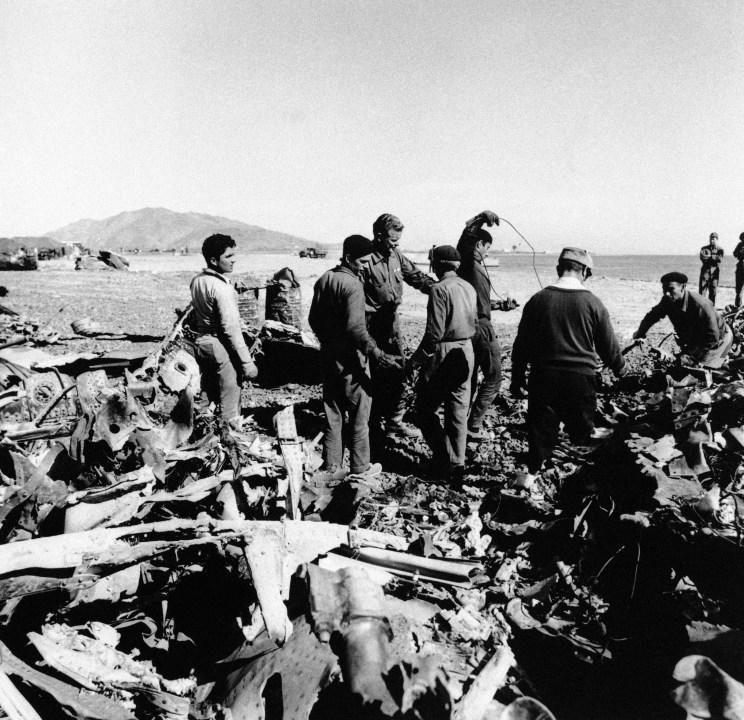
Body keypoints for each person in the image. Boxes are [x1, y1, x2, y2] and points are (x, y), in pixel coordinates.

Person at [510, 248, 625, 484]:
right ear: (584, 271)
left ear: (558, 269)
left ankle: (531, 476)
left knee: (540, 431)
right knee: (582, 433)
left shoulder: (537, 300)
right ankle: (580, 485)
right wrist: (622, 370)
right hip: (580, 378)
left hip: (544, 376)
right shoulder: (593, 303)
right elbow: (608, 346)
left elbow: (522, 344)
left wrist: (517, 377)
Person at [309, 235, 402, 479]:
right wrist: (378, 354)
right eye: (361, 262)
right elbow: (356, 329)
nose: (364, 267)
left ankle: (332, 466)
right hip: (351, 356)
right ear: (348, 258)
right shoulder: (353, 286)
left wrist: (327, 340)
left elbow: (313, 320)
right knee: (361, 413)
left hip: (328, 354)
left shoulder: (325, 279)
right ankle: (361, 468)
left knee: (333, 410)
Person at [363, 214, 434, 445]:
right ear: (379, 236)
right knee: (372, 373)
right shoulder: (366, 260)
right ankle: (371, 425)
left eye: (398, 241)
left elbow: (417, 277)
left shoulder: (396, 255)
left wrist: (442, 289)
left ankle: (393, 421)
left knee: (397, 370)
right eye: (392, 241)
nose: (395, 245)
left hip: (392, 323)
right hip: (370, 324)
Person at [408, 245, 477, 481]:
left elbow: (433, 334)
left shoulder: (439, 289)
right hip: (466, 348)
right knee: (458, 409)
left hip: (444, 351)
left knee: (425, 409)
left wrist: (415, 362)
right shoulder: (468, 286)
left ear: (436, 265)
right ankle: (458, 464)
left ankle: (442, 458)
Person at [190, 234, 258, 429]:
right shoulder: (221, 287)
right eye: (228, 256)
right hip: (217, 342)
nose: (233, 260)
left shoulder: (198, 281)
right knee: (230, 386)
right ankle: (230, 430)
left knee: (207, 387)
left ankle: (198, 426)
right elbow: (231, 329)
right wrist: (247, 362)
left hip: (201, 342)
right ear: (213, 260)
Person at [457, 210, 503, 439]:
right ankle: (473, 426)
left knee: (472, 376)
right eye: (487, 248)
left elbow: (480, 302)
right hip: (481, 328)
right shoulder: (468, 262)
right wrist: (480, 217)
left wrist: (501, 305)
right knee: (494, 376)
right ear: (479, 245)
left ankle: (463, 424)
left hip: (471, 324)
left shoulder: (470, 268)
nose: (487, 253)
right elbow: (466, 238)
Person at [633, 271, 733, 368]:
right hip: (698, 340)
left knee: (700, 372)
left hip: (720, 341)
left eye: (671, 289)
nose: (667, 293)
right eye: (664, 290)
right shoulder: (667, 300)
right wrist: (641, 332)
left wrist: (691, 354)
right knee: (683, 364)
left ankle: (724, 358)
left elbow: (712, 337)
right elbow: (652, 316)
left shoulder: (700, 305)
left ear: (683, 287)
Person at [699, 232, 724, 305]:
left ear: (717, 239)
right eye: (711, 238)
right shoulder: (704, 248)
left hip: (714, 272)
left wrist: (710, 256)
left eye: (713, 239)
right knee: (702, 290)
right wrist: (713, 257)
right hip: (705, 271)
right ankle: (701, 307)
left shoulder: (720, 249)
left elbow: (719, 259)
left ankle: (711, 307)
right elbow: (703, 258)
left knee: (713, 291)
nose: (712, 240)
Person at [734, 233, 744, 308]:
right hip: (740, 268)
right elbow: (735, 253)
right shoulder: (739, 245)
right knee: (738, 289)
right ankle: (738, 306)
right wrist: (740, 253)